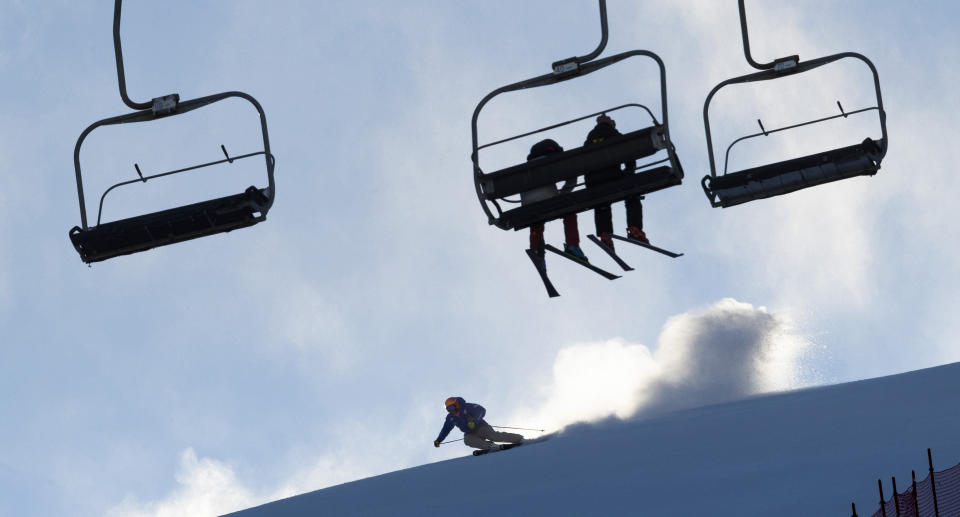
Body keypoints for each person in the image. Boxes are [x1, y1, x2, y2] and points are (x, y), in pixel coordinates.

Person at [583, 114, 649, 249]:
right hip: (612, 176)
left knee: (601, 202)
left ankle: (604, 234)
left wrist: (589, 182)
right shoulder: (614, 133)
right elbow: (628, 152)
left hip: (594, 181)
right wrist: (629, 171)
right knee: (632, 194)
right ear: (610, 124)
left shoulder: (589, 139)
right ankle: (635, 228)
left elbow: (582, 163)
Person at [522, 139, 587, 270]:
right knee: (569, 211)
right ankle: (572, 245)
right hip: (549, 198)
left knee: (536, 222)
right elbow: (572, 178)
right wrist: (563, 192)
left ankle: (536, 250)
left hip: (528, 203)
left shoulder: (525, 168)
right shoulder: (553, 161)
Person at [433, 396, 523, 451]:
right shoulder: (451, 418)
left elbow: (481, 410)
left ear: (456, 404)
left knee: (493, 436)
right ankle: (491, 446)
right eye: (448, 409)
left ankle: (519, 439)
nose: (451, 411)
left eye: (452, 408)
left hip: (481, 427)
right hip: (470, 433)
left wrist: (474, 421)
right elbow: (445, 430)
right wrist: (439, 440)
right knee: (467, 440)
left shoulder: (466, 407)